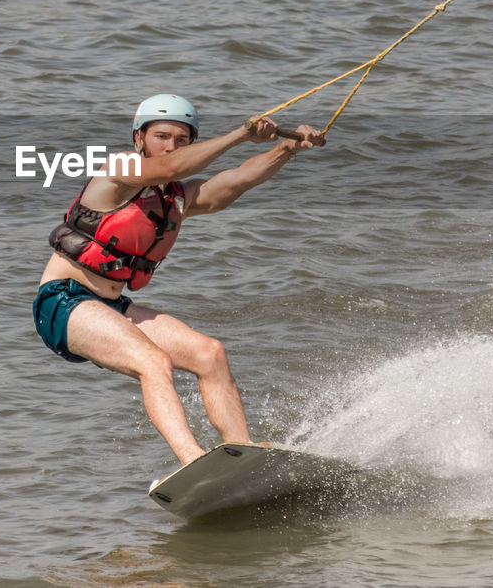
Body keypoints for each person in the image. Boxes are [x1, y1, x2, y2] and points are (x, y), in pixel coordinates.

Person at [33, 93, 326, 466]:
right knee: (153, 362)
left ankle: (244, 458)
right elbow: (171, 168)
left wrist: (289, 147)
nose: (171, 146)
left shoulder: (176, 199)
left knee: (210, 354)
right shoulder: (118, 170)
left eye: (181, 140)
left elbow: (236, 181)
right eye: (161, 136)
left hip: (112, 306)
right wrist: (239, 134)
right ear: (139, 138)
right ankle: (193, 462)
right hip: (62, 302)